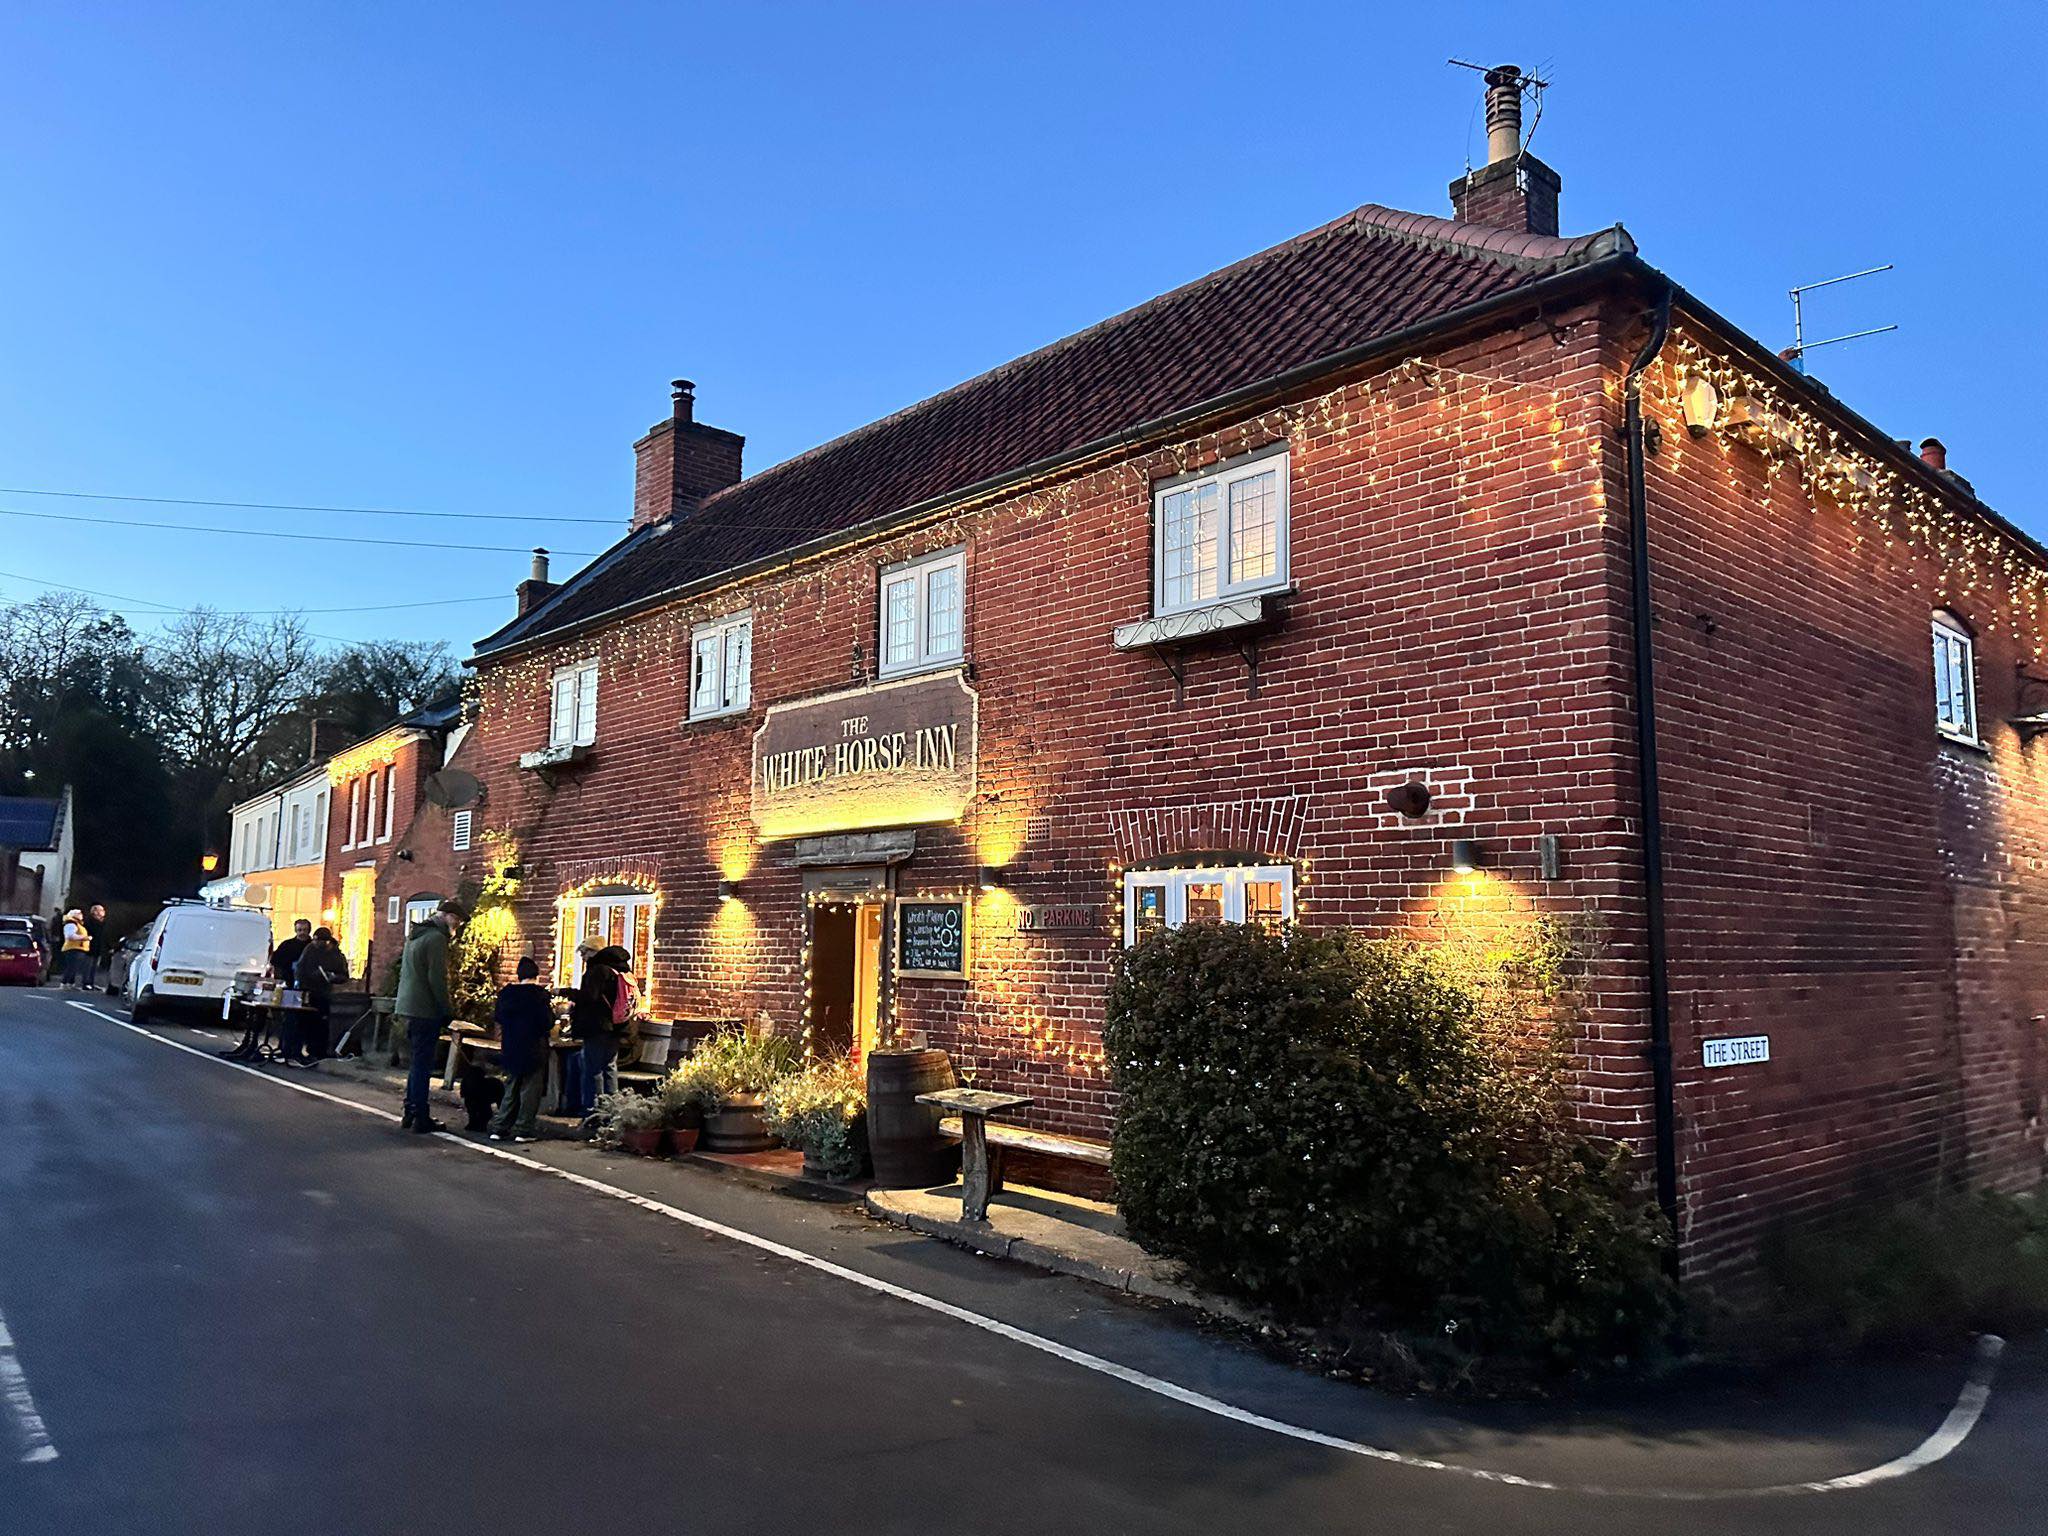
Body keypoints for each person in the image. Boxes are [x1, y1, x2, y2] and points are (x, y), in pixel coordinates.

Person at [393, 899, 466, 1133]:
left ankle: (410, 1111)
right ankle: (421, 1116)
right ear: (447, 916)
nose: (456, 926)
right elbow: (437, 979)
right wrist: (446, 1011)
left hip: (409, 1005)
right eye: (456, 921)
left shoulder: (416, 935)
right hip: (425, 1008)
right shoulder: (436, 939)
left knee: (417, 1062)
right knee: (423, 1064)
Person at [564, 943, 633, 1121]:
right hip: (617, 1027)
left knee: (592, 1070)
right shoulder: (622, 970)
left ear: (595, 951)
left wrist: (566, 993)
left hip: (598, 1027)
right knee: (609, 1068)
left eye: (585, 952)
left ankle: (593, 1113)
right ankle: (613, 1111)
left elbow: (589, 997)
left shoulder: (598, 971)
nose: (583, 957)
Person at [488, 957, 553, 1143]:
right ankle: (523, 1129)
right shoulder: (539, 996)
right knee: (530, 1090)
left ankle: (500, 1127)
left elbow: (499, 1017)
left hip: (511, 1046)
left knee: (511, 1087)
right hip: (534, 1047)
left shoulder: (507, 994)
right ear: (536, 974)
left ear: (519, 975)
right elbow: (546, 1022)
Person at [291, 927, 349, 1069]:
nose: (316, 943)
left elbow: (344, 975)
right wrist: (303, 982)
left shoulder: (335, 955)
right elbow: (300, 968)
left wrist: (333, 977)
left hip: (323, 992)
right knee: (303, 1023)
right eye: (315, 940)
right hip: (308, 991)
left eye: (319, 941)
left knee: (321, 1025)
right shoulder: (310, 949)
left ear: (327, 942)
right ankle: (299, 1052)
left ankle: (317, 1053)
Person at [270, 919, 314, 1062]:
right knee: (288, 1019)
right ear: (295, 930)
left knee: (302, 1021)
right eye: (299, 930)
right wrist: (279, 980)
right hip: (289, 987)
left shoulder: (312, 947)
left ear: (309, 930)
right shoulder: (287, 945)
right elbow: (276, 963)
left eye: (304, 930)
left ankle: (296, 1050)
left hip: (307, 989)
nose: (302, 933)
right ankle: (285, 1048)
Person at [59, 909, 92, 989]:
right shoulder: (71, 924)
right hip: (72, 948)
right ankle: (64, 983)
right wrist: (84, 938)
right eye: (79, 913)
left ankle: (71, 983)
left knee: (74, 967)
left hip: (79, 948)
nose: (81, 914)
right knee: (71, 967)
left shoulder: (78, 924)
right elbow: (70, 936)